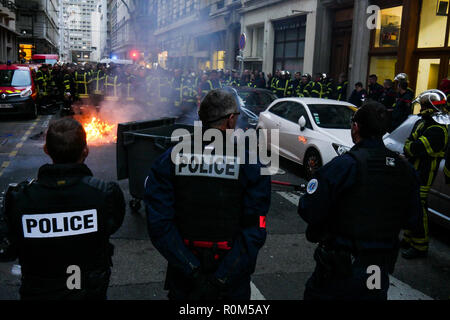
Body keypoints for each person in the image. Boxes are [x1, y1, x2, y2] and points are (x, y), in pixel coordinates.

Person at [144, 89, 271, 300]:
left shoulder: (170, 159)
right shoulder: (251, 164)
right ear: (230, 120)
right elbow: (255, 228)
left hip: (185, 277)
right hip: (231, 283)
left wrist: (191, 269)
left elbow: (159, 224)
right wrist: (223, 277)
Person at [297, 101, 422, 300]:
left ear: (356, 127)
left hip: (342, 267)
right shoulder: (405, 170)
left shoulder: (345, 166)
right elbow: (412, 220)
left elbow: (308, 209)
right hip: (378, 268)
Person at [0, 118, 125, 300]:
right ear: (86, 150)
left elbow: (8, 250)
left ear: (46, 150)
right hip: (88, 292)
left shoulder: (19, 199)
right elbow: (110, 226)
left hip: (38, 292)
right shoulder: (105, 194)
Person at [401, 90, 449, 259]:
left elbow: (413, 148)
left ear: (429, 107)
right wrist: (410, 147)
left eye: (422, 105)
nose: (420, 109)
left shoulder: (438, 129)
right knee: (410, 206)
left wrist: (410, 147)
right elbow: (408, 143)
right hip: (414, 171)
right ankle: (408, 238)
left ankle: (420, 246)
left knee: (419, 209)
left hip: (425, 174)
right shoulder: (423, 123)